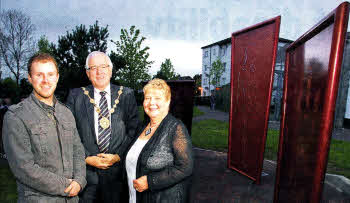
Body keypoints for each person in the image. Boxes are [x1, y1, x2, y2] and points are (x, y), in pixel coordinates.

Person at [2, 53, 86, 202]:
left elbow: (78, 152)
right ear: (30, 78)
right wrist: (67, 186)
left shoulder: (66, 113)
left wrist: (79, 181)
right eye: (39, 75)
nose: (46, 80)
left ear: (57, 77)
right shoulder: (16, 116)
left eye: (50, 74)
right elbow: (23, 168)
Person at [66, 51, 139, 203]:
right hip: (86, 177)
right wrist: (86, 158)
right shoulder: (76, 96)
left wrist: (118, 156)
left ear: (110, 70)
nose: (99, 72)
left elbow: (134, 131)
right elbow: (69, 133)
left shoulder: (126, 95)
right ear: (87, 73)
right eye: (93, 68)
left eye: (103, 66)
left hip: (117, 177)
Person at [125, 78, 193, 203]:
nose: (151, 103)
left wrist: (150, 182)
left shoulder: (175, 128)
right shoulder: (142, 127)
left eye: (157, 98)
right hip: (135, 197)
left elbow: (185, 167)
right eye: (147, 98)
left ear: (167, 101)